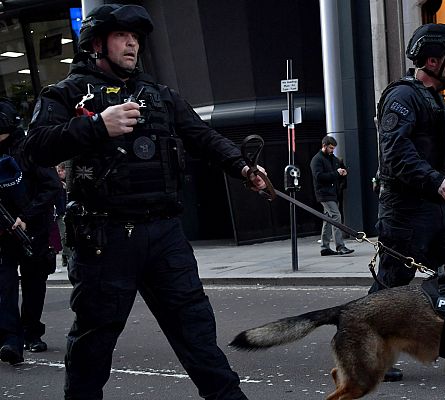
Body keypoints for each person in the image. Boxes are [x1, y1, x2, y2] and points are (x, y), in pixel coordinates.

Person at [24, 4, 265, 399]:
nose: (132, 43)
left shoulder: (159, 95)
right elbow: (34, 148)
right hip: (104, 238)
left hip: (164, 235)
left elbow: (202, 137)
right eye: (122, 35)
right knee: (93, 344)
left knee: (197, 334)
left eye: (135, 37)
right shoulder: (66, 93)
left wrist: (242, 167)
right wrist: (96, 126)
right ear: (97, 44)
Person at [370, 23, 445, 381]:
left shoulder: (434, 98)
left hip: (436, 208)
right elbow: (395, 151)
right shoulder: (402, 97)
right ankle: (370, 350)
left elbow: (436, 149)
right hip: (405, 209)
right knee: (393, 281)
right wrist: (435, 179)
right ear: (433, 61)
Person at [0, 98, 60, 365]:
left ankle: (31, 332)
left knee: (34, 282)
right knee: (5, 286)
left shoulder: (28, 149)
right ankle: (10, 340)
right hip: (3, 233)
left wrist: (26, 216)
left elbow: (52, 188)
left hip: (32, 229)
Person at [310, 135, 354, 256]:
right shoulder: (317, 159)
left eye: (333, 148)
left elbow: (337, 170)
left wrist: (343, 172)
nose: (332, 150)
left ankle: (324, 247)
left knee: (328, 220)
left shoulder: (332, 158)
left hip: (332, 193)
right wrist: (336, 173)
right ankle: (340, 246)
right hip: (324, 194)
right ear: (324, 146)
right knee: (336, 217)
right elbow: (319, 176)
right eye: (330, 148)